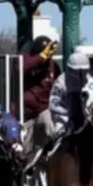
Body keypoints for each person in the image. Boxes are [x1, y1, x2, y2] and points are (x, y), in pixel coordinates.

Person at [19, 36, 61, 169]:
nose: (48, 56)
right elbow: (20, 66)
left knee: (49, 119)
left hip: (44, 111)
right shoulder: (26, 59)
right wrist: (40, 57)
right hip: (26, 115)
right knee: (23, 152)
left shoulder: (53, 66)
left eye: (49, 52)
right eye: (45, 52)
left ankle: (53, 153)